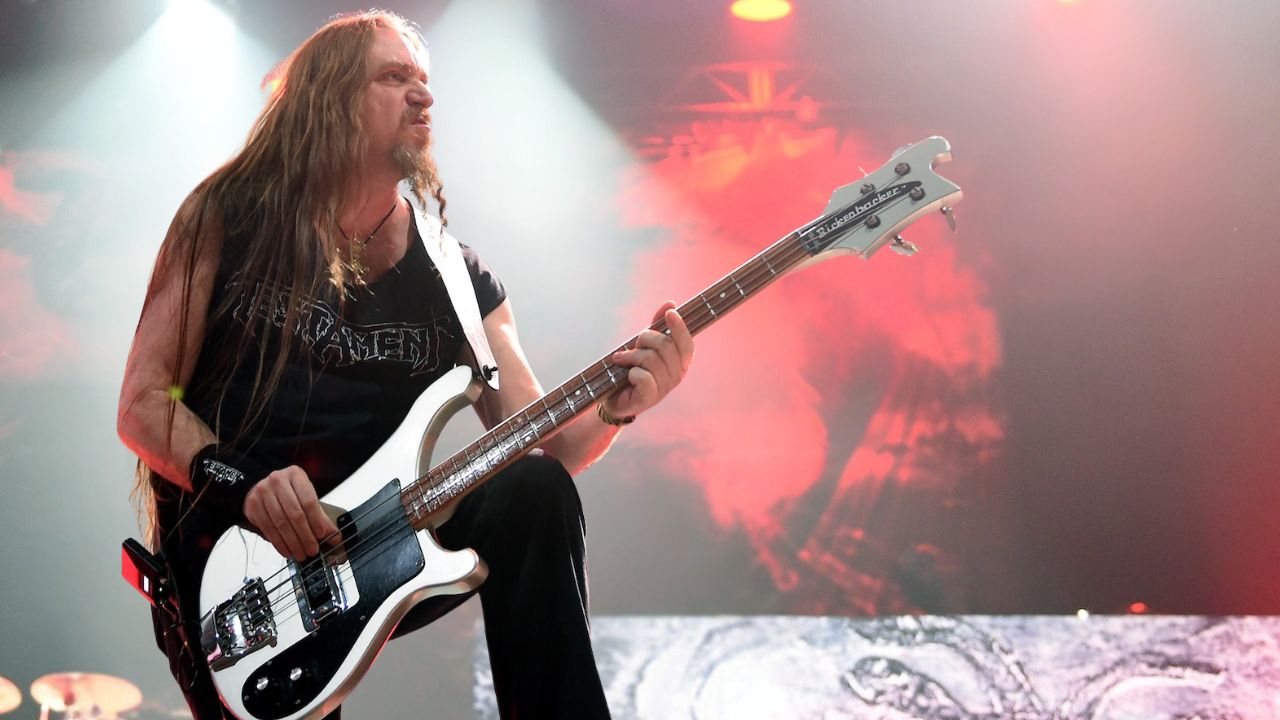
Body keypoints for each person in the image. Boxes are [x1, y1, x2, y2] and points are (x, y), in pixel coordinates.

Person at [117, 10, 694, 719]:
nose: (423, 96)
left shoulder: (455, 276)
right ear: (327, 98)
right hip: (234, 579)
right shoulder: (226, 215)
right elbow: (144, 403)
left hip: (374, 547)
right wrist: (242, 483)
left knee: (535, 488)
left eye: (425, 81)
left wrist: (622, 406)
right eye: (394, 78)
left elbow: (556, 445)